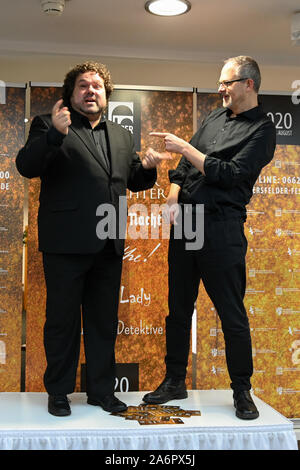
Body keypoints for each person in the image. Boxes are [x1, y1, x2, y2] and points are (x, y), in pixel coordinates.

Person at [16, 61, 168, 417]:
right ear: (71, 94)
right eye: (82, 85)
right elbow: (26, 166)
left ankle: (101, 391)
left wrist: (146, 166)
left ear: (106, 94)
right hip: (65, 245)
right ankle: (58, 392)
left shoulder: (120, 134)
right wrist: (54, 134)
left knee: (102, 323)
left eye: (96, 86)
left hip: (108, 244)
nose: (90, 91)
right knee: (62, 322)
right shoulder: (48, 124)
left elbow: (129, 179)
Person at [143, 56, 276, 420]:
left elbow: (230, 174)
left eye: (227, 83)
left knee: (231, 315)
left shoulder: (263, 130)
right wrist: (172, 193)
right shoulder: (214, 117)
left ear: (248, 84)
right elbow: (186, 168)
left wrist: (185, 147)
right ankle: (174, 381)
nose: (220, 89)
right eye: (219, 82)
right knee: (178, 309)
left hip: (221, 228)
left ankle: (242, 391)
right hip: (186, 224)